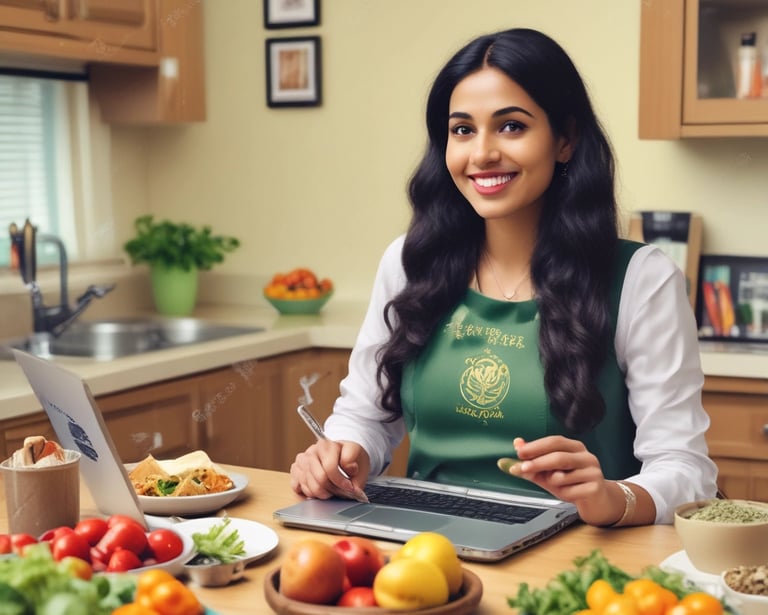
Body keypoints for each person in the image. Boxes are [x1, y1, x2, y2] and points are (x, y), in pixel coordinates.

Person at [290, 28, 718, 527]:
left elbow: (686, 469)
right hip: (423, 550)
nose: (482, 154)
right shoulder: (409, 262)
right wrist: (343, 456)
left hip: (578, 555)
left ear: (565, 140)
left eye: (511, 127)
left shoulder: (642, 279)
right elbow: (366, 414)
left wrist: (610, 497)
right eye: (463, 130)